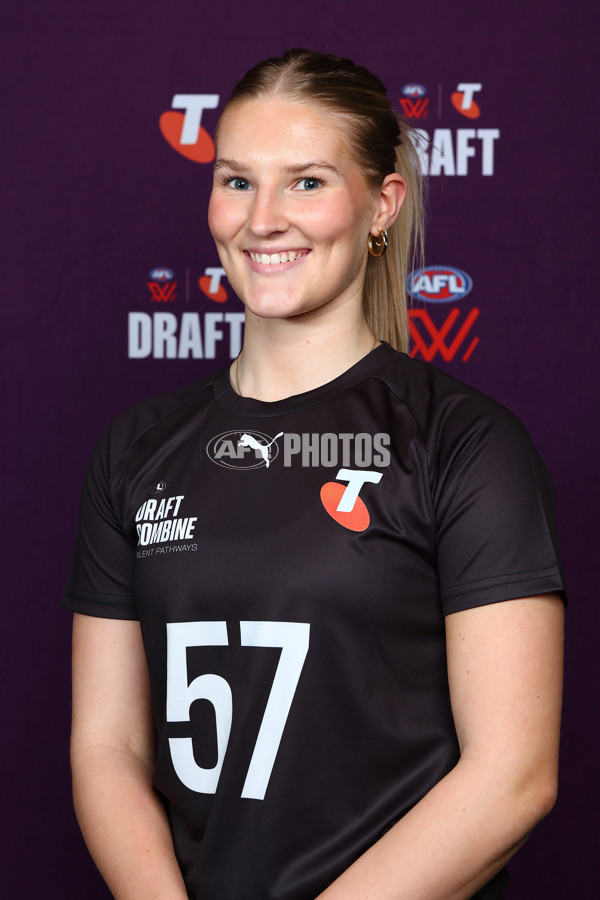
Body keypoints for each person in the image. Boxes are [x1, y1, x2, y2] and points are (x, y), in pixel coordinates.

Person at [64, 49, 565, 900]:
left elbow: (513, 775)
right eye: (235, 181)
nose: (262, 219)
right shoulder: (133, 451)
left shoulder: (464, 443)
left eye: (305, 183)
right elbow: (106, 746)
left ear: (382, 203)